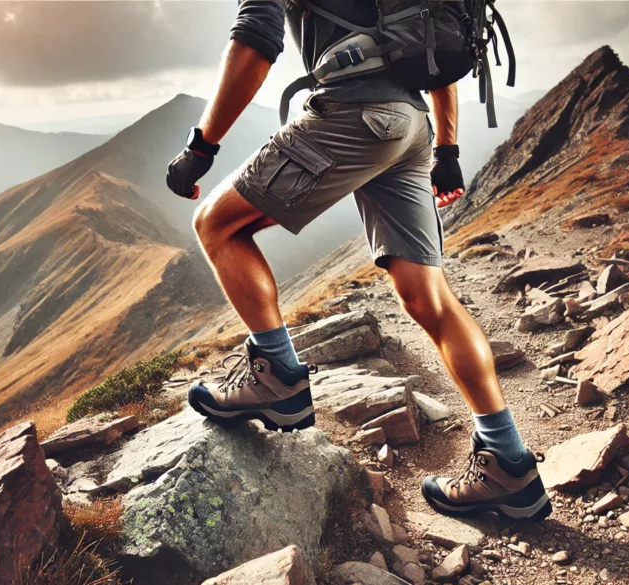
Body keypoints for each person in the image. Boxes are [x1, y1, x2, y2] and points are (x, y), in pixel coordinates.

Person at [166, 0, 551, 523]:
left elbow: (256, 40)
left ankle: (276, 374)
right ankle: (508, 462)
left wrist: (202, 146)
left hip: (353, 113)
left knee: (216, 225)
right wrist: (447, 149)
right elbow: (431, 46)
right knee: (430, 298)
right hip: (412, 127)